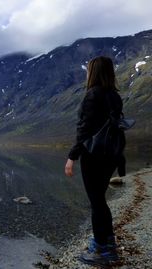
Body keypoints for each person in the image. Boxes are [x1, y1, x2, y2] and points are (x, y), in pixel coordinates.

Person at [65, 56, 124, 267]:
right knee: (100, 200)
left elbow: (84, 129)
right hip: (110, 156)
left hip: (94, 156)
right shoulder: (114, 96)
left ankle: (103, 251)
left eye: (88, 70)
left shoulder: (92, 95)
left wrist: (72, 157)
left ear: (93, 72)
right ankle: (106, 242)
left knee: (96, 203)